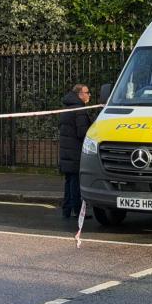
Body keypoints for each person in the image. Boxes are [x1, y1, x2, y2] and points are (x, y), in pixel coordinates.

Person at [59, 84, 92, 219]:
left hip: (66, 151)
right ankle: (78, 211)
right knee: (75, 183)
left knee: (69, 181)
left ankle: (66, 210)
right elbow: (82, 132)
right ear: (80, 95)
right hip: (75, 152)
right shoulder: (80, 110)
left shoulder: (66, 108)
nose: (89, 95)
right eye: (87, 92)